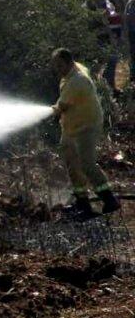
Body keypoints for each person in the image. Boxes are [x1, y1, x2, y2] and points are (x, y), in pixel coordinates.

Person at [51, 48, 120, 217]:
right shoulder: (72, 73)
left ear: (69, 62)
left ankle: (109, 199)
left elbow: (62, 106)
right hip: (71, 127)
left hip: (86, 127)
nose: (58, 70)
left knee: (87, 164)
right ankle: (82, 204)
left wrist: (50, 112)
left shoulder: (77, 81)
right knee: (72, 165)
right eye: (56, 66)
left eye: (60, 65)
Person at [87, 0, 121, 93]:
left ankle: (109, 86)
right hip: (96, 39)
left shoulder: (106, 4)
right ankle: (93, 85)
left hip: (107, 38)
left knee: (112, 59)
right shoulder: (89, 7)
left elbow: (112, 18)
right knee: (98, 63)